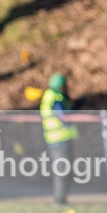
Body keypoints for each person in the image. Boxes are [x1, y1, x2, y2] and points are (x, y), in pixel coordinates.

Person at [39, 72, 78, 205]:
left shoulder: (51, 96)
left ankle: (61, 199)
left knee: (64, 170)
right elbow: (63, 115)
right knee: (62, 170)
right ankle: (59, 200)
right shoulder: (55, 97)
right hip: (59, 139)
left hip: (56, 139)